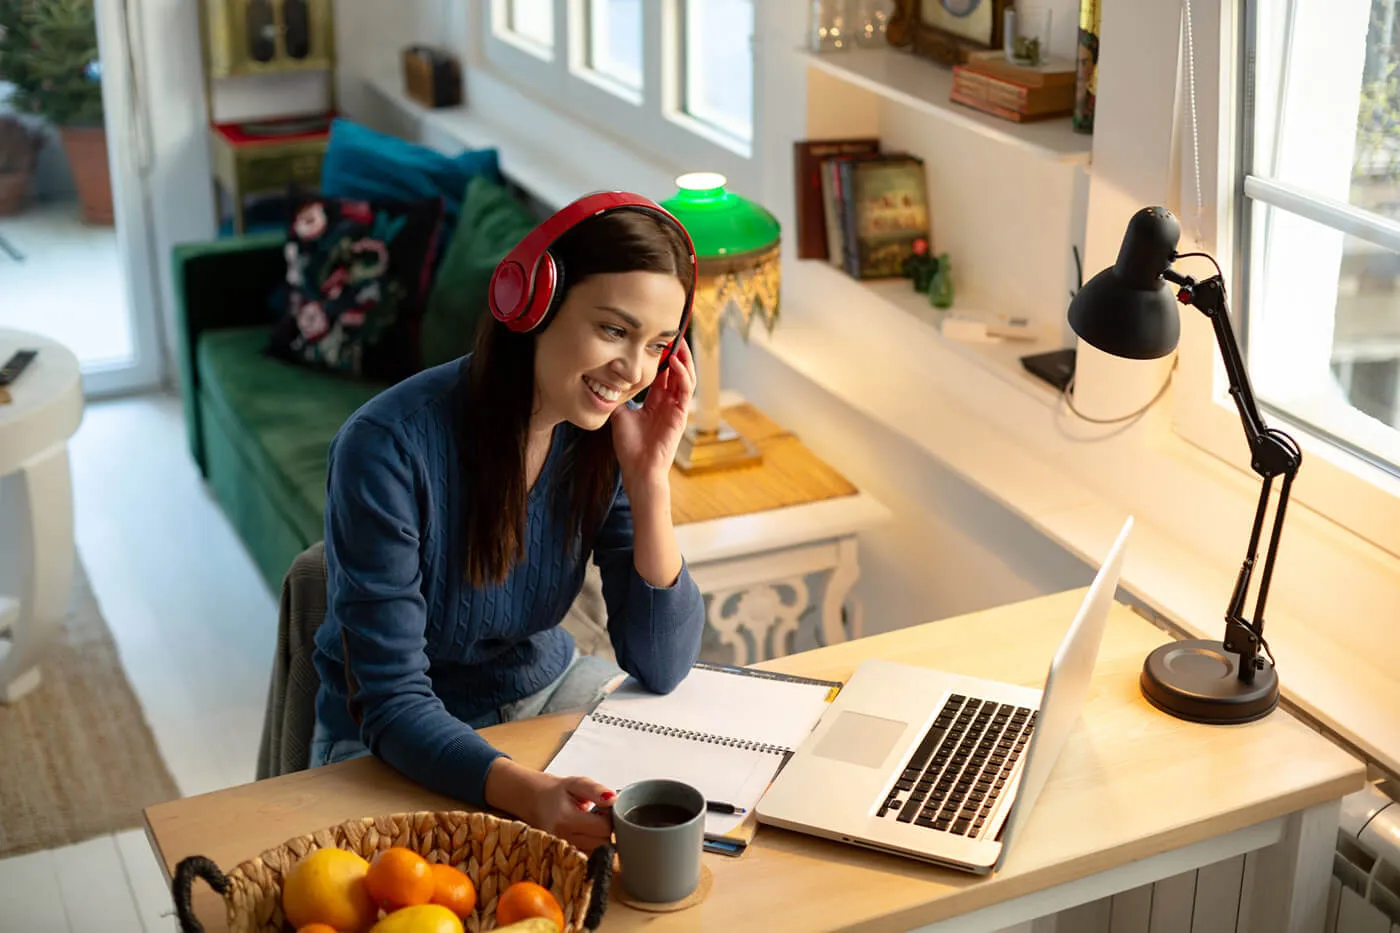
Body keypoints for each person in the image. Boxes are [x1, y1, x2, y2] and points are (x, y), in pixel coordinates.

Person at [308, 192, 706, 853]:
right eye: (613, 330)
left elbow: (661, 663)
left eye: (657, 346)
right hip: (395, 738)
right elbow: (391, 702)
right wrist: (532, 796)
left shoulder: (603, 436)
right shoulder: (385, 446)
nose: (633, 371)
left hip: (542, 690)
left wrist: (649, 482)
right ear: (533, 302)